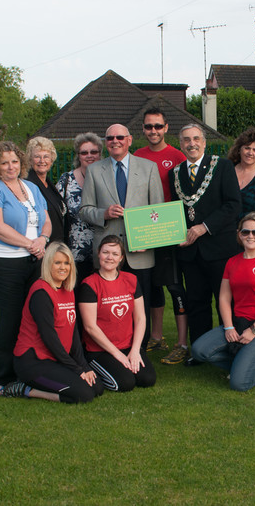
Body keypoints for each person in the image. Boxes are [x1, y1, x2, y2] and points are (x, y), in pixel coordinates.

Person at [0, 140, 52, 396]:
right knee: (10, 320)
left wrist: (42, 240)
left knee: (33, 316)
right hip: (2, 261)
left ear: (21, 162)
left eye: (15, 162)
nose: (11, 167)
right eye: (5, 163)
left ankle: (28, 370)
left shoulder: (31, 187)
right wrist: (31, 244)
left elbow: (47, 221)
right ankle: (0, 377)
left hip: (33, 258)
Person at [79, 123, 164, 347]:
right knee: (107, 303)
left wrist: (150, 240)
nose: (114, 141)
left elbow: (158, 210)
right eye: (109, 138)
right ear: (105, 143)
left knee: (140, 306)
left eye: (119, 137)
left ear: (129, 140)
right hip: (108, 252)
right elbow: (84, 210)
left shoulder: (148, 167)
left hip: (141, 252)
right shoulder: (95, 170)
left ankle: (140, 350)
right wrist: (103, 213)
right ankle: (109, 347)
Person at [170, 123, 241, 365]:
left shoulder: (222, 166)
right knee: (197, 303)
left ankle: (231, 350)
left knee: (226, 303)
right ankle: (201, 353)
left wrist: (204, 227)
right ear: (181, 144)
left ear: (204, 142)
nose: (192, 143)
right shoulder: (175, 173)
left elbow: (233, 205)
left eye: (196, 139)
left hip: (219, 248)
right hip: (190, 251)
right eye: (186, 140)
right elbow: (175, 211)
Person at [191, 212, 255, 391]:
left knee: (239, 383)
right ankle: (242, 364)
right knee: (199, 351)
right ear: (239, 234)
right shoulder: (232, 262)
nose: (250, 236)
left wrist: (253, 330)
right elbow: (224, 298)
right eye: (246, 232)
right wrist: (228, 327)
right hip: (237, 323)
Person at [6, 242, 103, 402]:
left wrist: (84, 366)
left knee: (97, 388)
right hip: (33, 362)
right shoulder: (41, 293)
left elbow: (73, 332)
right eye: (57, 262)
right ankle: (26, 389)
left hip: (55, 359)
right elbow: (49, 338)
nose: (62, 267)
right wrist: (77, 370)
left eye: (66, 263)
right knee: (84, 394)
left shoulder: (68, 289)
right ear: (48, 264)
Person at [134, 108, 189, 364]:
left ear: (166, 127)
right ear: (143, 129)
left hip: (169, 230)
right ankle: (156, 337)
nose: (153, 131)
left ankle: (181, 343)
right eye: (148, 127)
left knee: (175, 286)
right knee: (152, 286)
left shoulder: (177, 156)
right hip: (145, 231)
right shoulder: (137, 156)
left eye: (158, 126)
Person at [78, 235, 156, 392]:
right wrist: (117, 354)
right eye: (106, 252)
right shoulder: (89, 284)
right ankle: (94, 367)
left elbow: (140, 318)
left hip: (127, 345)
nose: (109, 257)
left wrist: (135, 350)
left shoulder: (131, 279)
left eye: (115, 254)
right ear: (99, 254)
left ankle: (125, 360)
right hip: (100, 350)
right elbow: (90, 326)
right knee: (125, 383)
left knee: (147, 379)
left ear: (121, 258)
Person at [56, 132, 103, 281]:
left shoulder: (108, 178)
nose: (89, 156)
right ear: (78, 155)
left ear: (100, 154)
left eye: (93, 152)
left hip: (103, 249)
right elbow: (57, 213)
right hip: (75, 251)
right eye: (84, 152)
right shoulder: (66, 180)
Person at [26, 136, 66, 243]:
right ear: (30, 159)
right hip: (40, 243)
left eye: (46, 156)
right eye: (37, 156)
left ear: (52, 159)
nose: (42, 161)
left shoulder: (48, 183)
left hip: (56, 242)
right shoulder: (28, 183)